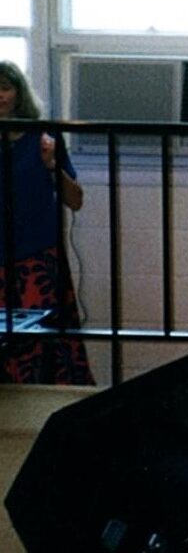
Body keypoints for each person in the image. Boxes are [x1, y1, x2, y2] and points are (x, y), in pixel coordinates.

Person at [0, 61, 94, 385]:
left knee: (44, 341)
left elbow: (75, 199)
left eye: (5, 87)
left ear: (18, 93)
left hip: (36, 255)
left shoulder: (43, 137)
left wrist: (52, 164)